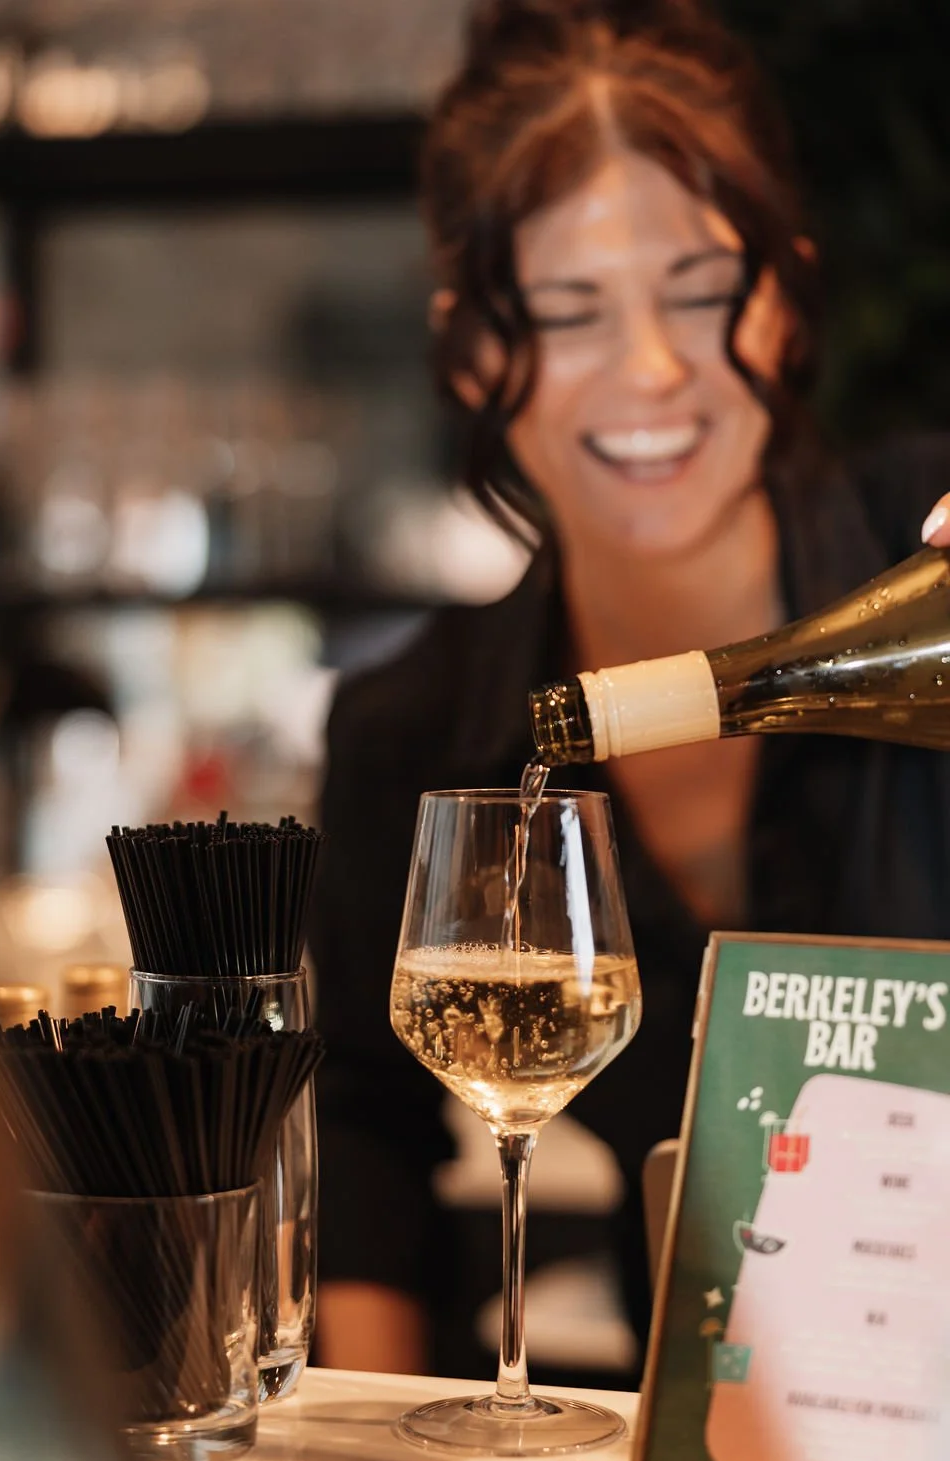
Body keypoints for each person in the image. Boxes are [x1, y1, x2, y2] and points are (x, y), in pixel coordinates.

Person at [309, 0, 950, 1383]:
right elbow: (366, 1158)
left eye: (703, 290)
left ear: (782, 302)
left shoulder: (928, 567)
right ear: (477, 349)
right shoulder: (409, 729)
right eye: (570, 311)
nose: (652, 369)